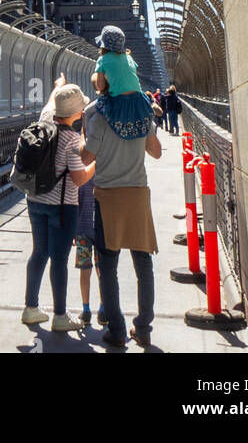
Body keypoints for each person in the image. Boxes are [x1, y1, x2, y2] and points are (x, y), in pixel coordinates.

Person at [81, 76, 162, 348]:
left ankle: (116, 330)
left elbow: (85, 158)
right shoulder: (141, 112)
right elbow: (156, 152)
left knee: (107, 265)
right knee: (143, 262)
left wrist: (85, 135)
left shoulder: (99, 115)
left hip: (109, 197)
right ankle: (143, 327)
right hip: (138, 194)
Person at [22, 81, 96, 331]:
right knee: (60, 259)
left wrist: (58, 87)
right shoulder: (71, 138)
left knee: (39, 252)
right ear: (76, 112)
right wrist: (95, 163)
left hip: (35, 201)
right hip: (63, 207)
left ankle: (31, 308)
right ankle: (60, 315)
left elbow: (49, 103)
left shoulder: (43, 123)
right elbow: (78, 178)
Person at [93, 24, 153, 139]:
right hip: (139, 101)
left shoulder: (102, 60)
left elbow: (100, 87)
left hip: (119, 102)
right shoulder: (129, 58)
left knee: (89, 112)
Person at [75, 166, 106, 326]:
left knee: (84, 271)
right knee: (102, 271)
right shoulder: (105, 176)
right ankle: (103, 309)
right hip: (102, 230)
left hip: (82, 231)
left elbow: (76, 204)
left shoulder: (82, 178)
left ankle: (86, 310)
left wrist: (74, 230)